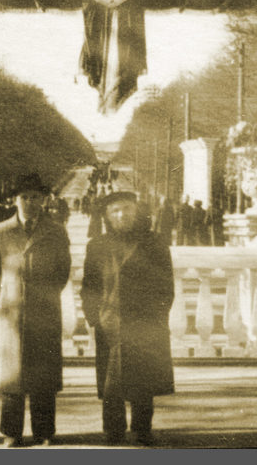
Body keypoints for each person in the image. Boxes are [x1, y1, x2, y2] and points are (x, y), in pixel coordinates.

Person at [0, 173, 71, 447]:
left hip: (44, 310)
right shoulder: (0, 232)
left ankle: (44, 432)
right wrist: (5, 298)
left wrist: (45, 293)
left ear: (44, 200)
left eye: (35, 197)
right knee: (11, 376)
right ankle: (11, 432)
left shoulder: (56, 231)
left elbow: (63, 270)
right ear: (14, 200)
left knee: (44, 374)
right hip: (11, 312)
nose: (29, 202)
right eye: (24, 197)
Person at [81, 191, 175, 446]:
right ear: (107, 217)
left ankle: (143, 430)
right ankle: (113, 431)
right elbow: (89, 286)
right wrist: (94, 318)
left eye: (127, 209)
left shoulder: (154, 243)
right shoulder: (97, 246)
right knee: (112, 383)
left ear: (137, 211)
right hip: (109, 322)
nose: (122, 215)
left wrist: (157, 318)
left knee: (143, 380)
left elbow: (166, 286)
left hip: (145, 322)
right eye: (115, 211)